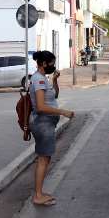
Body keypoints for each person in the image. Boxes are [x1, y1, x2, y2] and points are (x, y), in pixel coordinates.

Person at [28, 50, 74, 207]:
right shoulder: (38, 80)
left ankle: (39, 192)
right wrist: (63, 112)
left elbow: (54, 96)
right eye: (51, 63)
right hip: (42, 124)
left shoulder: (44, 79)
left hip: (46, 124)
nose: (53, 66)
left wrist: (55, 80)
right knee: (43, 159)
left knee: (45, 158)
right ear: (43, 64)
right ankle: (38, 195)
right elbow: (41, 107)